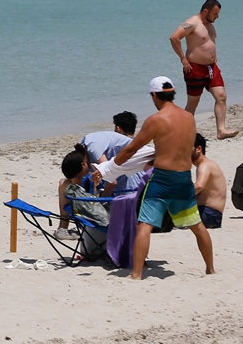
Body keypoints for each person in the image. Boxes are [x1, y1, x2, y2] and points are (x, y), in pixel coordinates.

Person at [92, 77, 215, 280]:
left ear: (154, 95)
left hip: (162, 181)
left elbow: (132, 148)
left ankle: (137, 274)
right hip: (184, 179)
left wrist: (110, 168)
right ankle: (210, 269)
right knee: (197, 226)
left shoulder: (156, 120)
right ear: (172, 93)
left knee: (144, 226)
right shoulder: (188, 118)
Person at [169, 0, 238, 139]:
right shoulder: (192, 23)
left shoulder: (210, 25)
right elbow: (174, 38)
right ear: (206, 11)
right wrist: (183, 58)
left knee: (221, 97)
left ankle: (221, 130)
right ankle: (182, 132)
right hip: (194, 68)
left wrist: (213, 55)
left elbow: (208, 42)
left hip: (211, 68)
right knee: (193, 104)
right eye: (215, 13)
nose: (217, 17)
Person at [80, 111, 137, 194]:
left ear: (118, 129)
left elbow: (112, 180)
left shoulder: (115, 149)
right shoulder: (139, 146)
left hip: (123, 192)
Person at [192, 134, 225, 229]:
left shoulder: (205, 165)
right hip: (210, 213)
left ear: (198, 149)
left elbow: (199, 186)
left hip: (210, 214)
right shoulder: (204, 165)